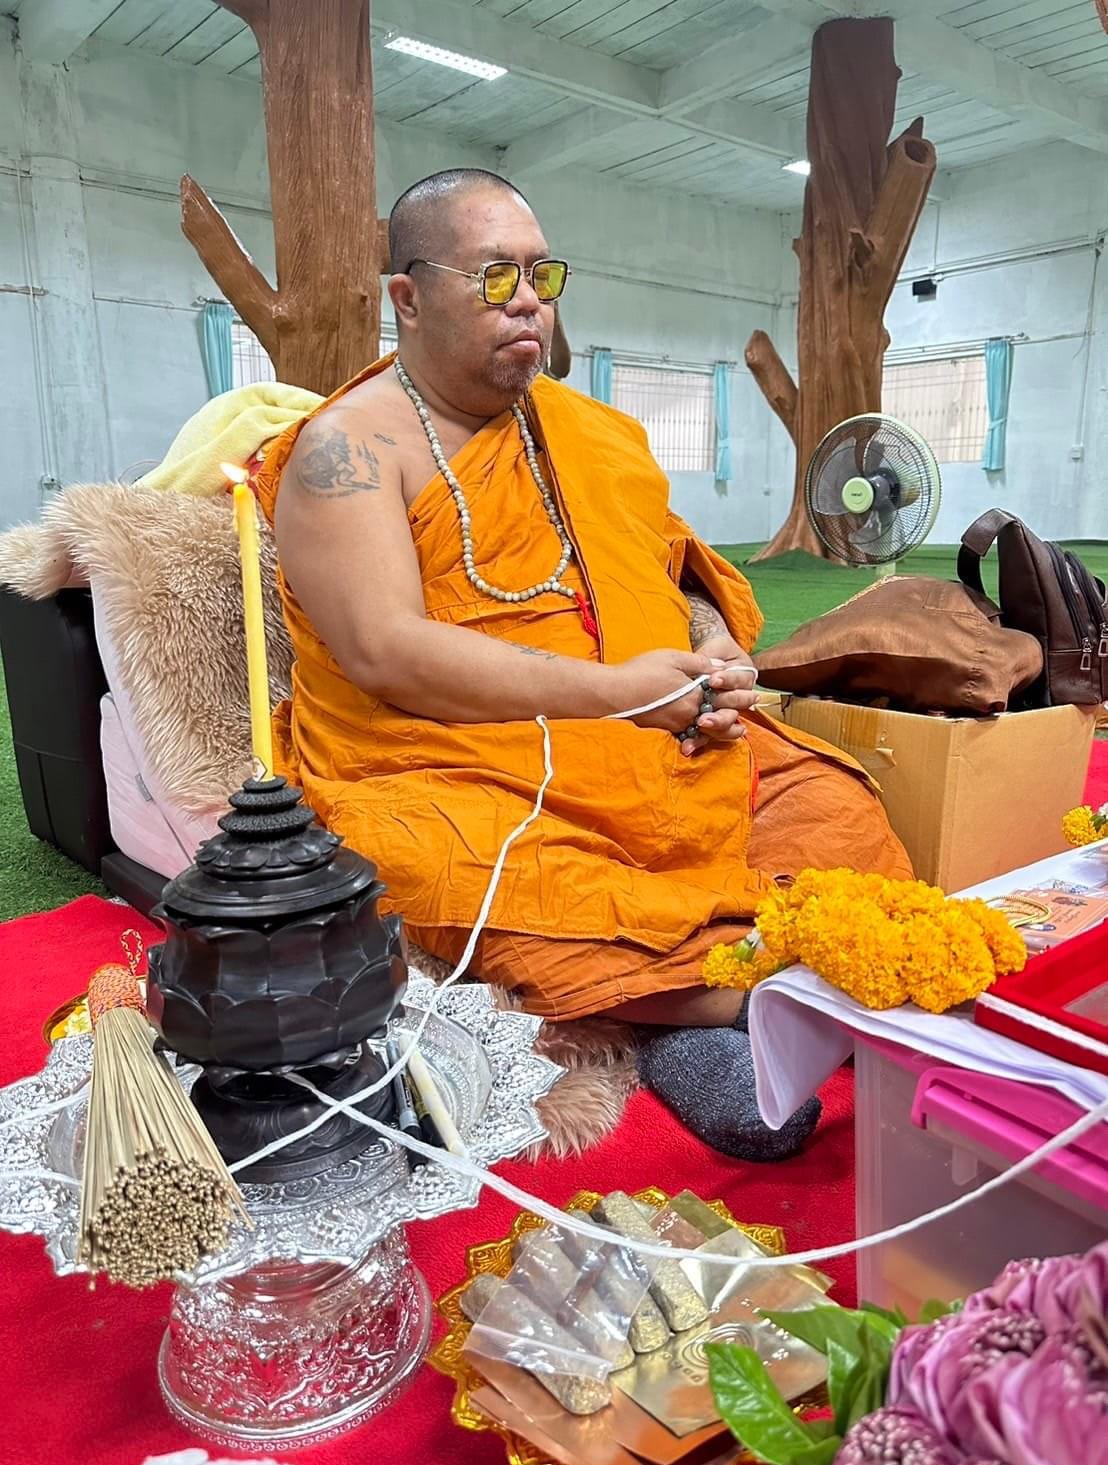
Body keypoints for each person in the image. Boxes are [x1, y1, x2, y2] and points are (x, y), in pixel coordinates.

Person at [253, 168, 912, 1160]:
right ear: (407, 298)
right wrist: (615, 698)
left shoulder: (591, 432)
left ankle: (685, 1009)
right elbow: (385, 653)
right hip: (451, 761)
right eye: (494, 277)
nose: (528, 300)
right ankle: (739, 1006)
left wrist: (708, 653)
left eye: (541, 274)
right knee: (427, 869)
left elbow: (671, 577)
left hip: (656, 740)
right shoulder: (344, 452)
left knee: (832, 804)